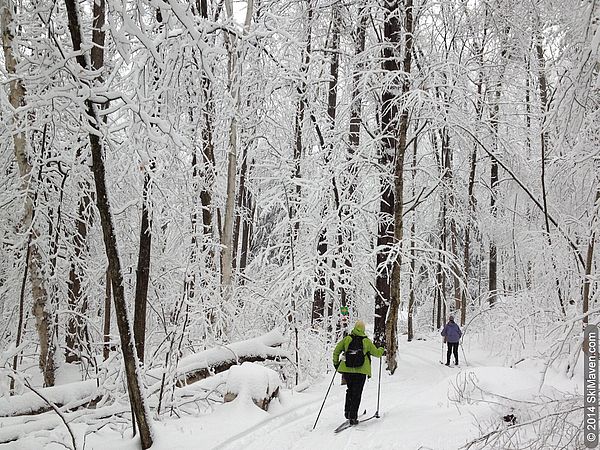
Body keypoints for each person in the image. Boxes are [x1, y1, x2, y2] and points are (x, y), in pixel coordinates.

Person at [332, 320, 385, 425]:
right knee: (357, 393)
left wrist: (336, 364)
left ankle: (347, 412)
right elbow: (377, 354)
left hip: (347, 370)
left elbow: (336, 351)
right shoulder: (366, 341)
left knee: (350, 390)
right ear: (363, 329)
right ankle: (353, 417)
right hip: (361, 371)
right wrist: (382, 348)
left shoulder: (347, 339)